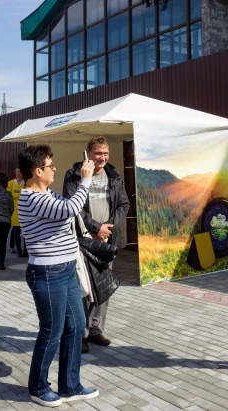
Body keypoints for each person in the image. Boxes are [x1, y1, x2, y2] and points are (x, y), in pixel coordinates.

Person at [18, 144, 99, 407]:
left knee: (75, 326)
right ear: (37, 170)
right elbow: (70, 210)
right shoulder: (31, 198)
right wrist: (85, 180)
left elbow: (67, 206)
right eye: (51, 166)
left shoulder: (49, 194)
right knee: (51, 331)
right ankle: (38, 387)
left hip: (64, 270)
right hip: (47, 272)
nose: (54, 169)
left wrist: (81, 181)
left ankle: (70, 385)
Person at [63, 136, 130, 353]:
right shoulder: (74, 175)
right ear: (88, 154)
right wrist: (94, 228)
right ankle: (81, 332)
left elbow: (124, 204)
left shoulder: (114, 176)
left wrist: (108, 228)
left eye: (105, 154)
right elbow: (74, 206)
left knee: (103, 285)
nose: (102, 158)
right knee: (84, 287)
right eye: (98, 153)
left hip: (107, 239)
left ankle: (96, 330)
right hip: (84, 239)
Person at [7, 167, 28, 257]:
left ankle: (26, 251)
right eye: (16, 172)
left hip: (25, 210)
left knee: (26, 232)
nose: (18, 174)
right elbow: (8, 196)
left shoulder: (27, 183)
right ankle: (19, 251)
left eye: (20, 172)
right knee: (16, 231)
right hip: (14, 210)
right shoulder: (11, 183)